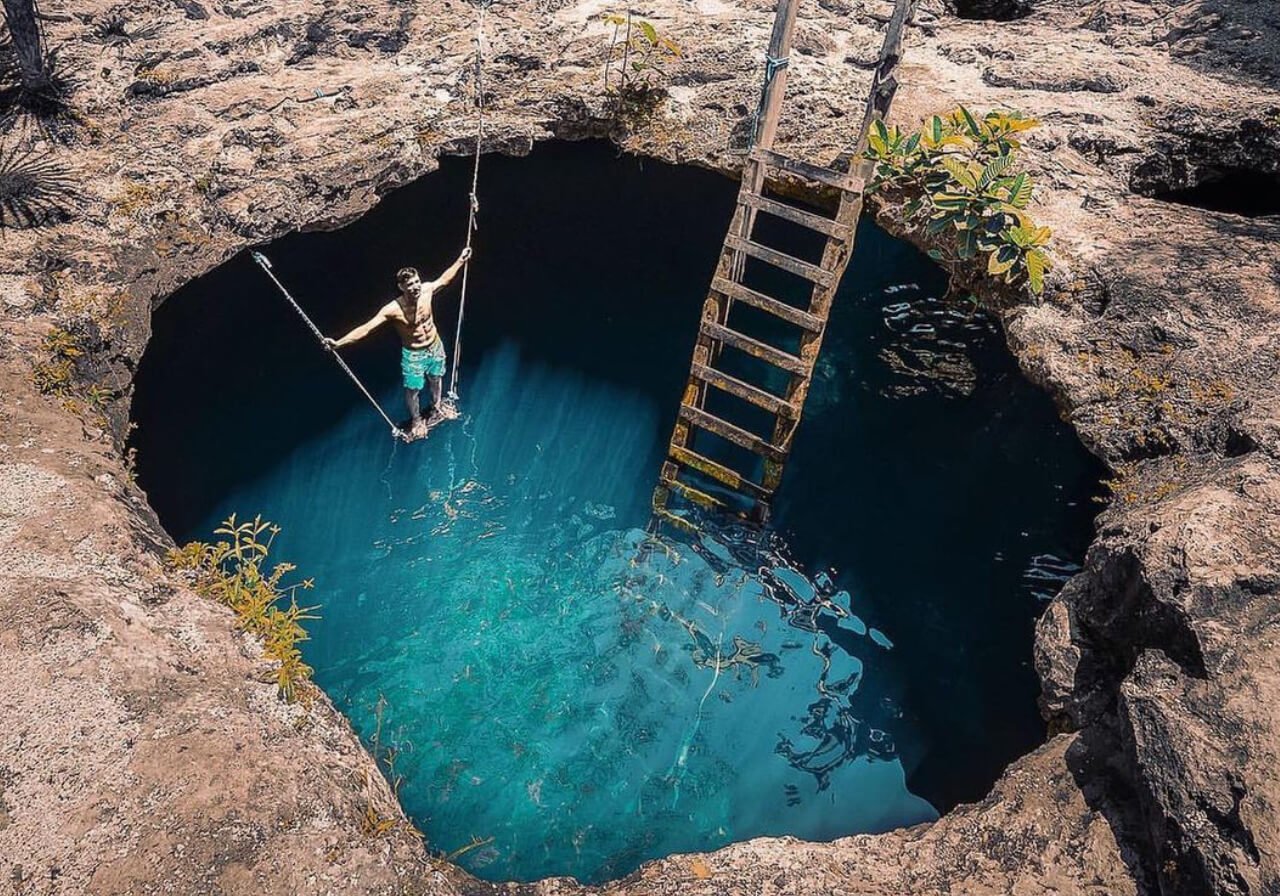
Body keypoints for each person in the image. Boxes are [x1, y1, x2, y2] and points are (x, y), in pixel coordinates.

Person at [325, 247, 471, 440]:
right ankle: (417, 420)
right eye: (410, 284)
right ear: (401, 287)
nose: (415, 287)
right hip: (414, 354)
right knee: (413, 389)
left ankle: (436, 407)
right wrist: (339, 343)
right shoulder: (393, 309)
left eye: (417, 281)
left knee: (436, 378)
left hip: (435, 345)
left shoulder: (427, 290)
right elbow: (366, 328)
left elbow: (445, 279)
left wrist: (461, 259)